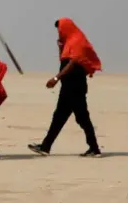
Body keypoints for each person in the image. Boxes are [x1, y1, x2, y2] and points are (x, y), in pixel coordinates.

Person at [28, 17, 103, 157]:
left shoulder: (77, 41)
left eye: (60, 29)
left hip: (75, 86)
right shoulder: (69, 42)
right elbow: (63, 60)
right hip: (67, 86)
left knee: (82, 117)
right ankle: (45, 147)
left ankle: (94, 148)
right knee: (59, 117)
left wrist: (56, 78)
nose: (59, 32)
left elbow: (72, 63)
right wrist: (61, 48)